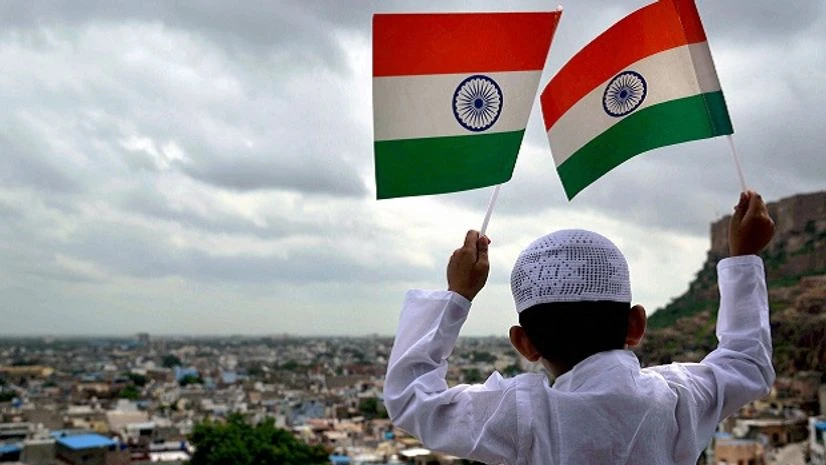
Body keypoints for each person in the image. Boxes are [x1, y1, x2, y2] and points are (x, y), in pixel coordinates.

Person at [383, 191, 776, 465]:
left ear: (524, 343)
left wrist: (457, 295)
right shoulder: (677, 400)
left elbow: (413, 401)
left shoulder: (525, 415)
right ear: (636, 325)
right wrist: (744, 257)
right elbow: (746, 364)